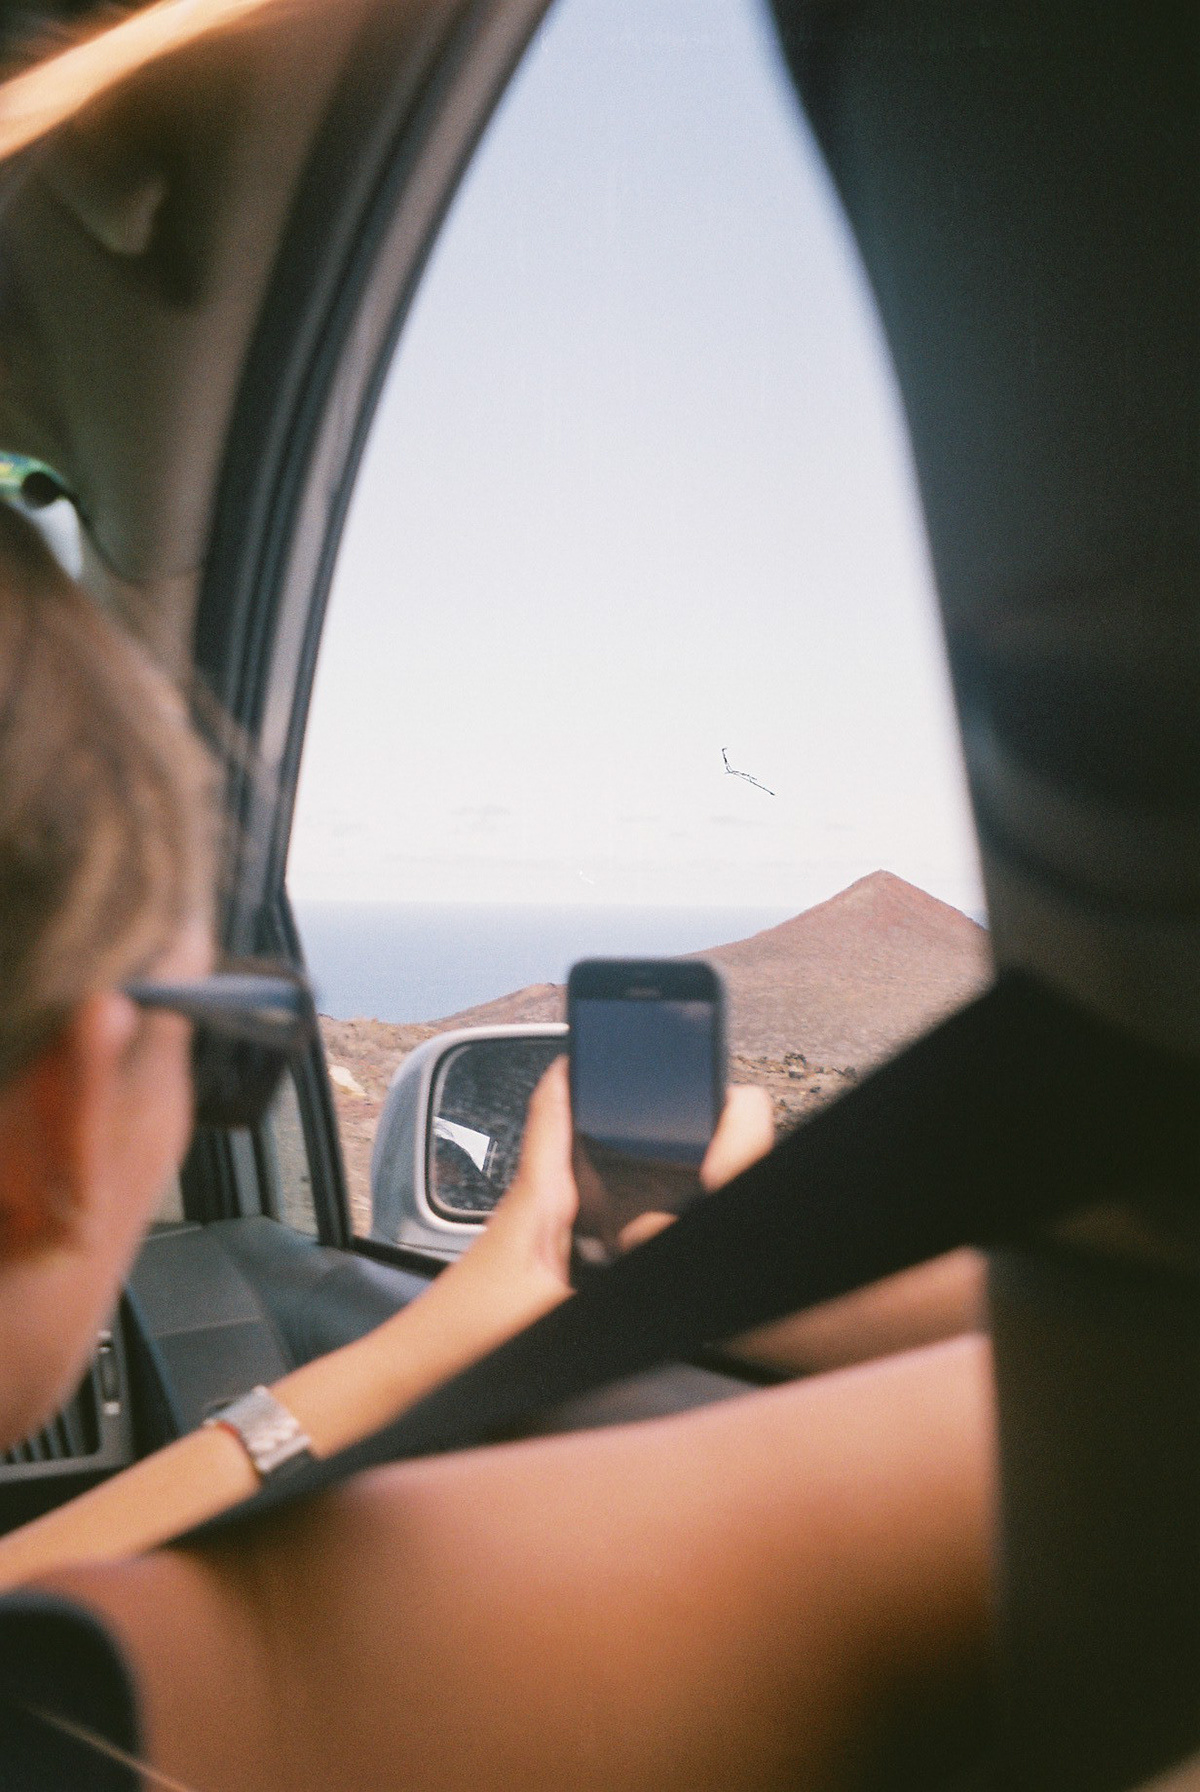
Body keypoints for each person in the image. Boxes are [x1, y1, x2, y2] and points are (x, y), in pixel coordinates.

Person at [0, 495, 993, 1789]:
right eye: (216, 1033)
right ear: (66, 1109)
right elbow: (1106, 1433)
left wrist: (433, 1337)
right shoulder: (86, 1706)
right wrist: (731, 1241)